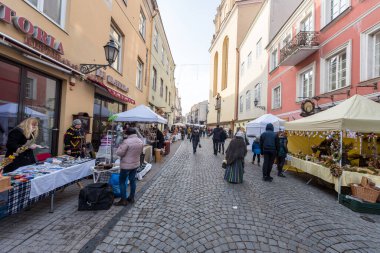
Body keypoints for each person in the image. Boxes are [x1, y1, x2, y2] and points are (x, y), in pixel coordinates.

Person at [114, 128, 143, 206]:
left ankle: (123, 200)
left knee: (122, 182)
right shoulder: (140, 141)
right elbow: (140, 152)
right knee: (132, 181)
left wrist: (119, 147)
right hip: (135, 164)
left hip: (126, 165)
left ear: (128, 134)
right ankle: (131, 197)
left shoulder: (126, 142)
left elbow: (119, 153)